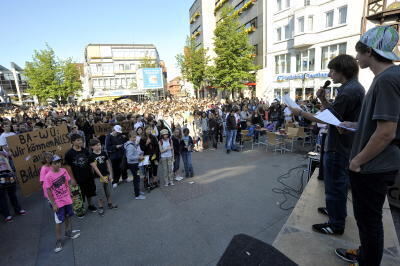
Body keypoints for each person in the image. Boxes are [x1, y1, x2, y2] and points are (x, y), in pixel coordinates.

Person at [335, 26, 400, 266]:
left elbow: (386, 132)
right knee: (367, 221)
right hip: (375, 165)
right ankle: (364, 254)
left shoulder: (387, 80)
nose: (356, 58)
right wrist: (355, 124)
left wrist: (356, 161)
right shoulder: (387, 78)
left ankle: (367, 260)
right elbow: (381, 124)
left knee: (369, 222)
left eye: (358, 53)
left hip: (372, 167)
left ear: (370, 52)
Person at [291, 54, 365, 236]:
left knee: (335, 184)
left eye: (332, 70)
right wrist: (323, 100)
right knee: (334, 184)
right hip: (341, 143)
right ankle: (334, 211)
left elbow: (325, 119)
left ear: (342, 71)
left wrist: (300, 111)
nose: (330, 74)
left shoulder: (349, 91)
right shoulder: (351, 88)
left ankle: (336, 224)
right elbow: (334, 115)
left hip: (339, 146)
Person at [43, 155, 80, 253]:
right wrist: (53, 204)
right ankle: (58, 240)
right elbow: (48, 191)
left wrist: (70, 193)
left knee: (68, 216)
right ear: (51, 164)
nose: (58, 164)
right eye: (55, 163)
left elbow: (67, 183)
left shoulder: (63, 170)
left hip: (66, 198)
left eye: (59, 162)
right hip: (57, 202)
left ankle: (68, 232)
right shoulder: (48, 176)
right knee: (58, 221)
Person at [64, 134, 97, 213]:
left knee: (89, 191)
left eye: (81, 140)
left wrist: (92, 172)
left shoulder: (85, 150)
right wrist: (72, 178)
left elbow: (90, 162)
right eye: (78, 140)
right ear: (72, 142)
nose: (80, 141)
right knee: (79, 194)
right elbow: (68, 167)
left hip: (88, 175)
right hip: (77, 177)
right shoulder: (69, 153)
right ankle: (80, 208)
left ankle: (90, 205)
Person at [89, 139, 118, 216]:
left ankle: (110, 204)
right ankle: (101, 207)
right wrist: (102, 177)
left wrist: (110, 174)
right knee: (100, 192)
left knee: (108, 190)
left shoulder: (104, 153)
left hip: (106, 175)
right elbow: (95, 168)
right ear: (92, 147)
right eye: (96, 145)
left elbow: (108, 164)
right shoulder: (91, 156)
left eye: (99, 144)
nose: (99, 146)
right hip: (98, 178)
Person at [0, 150, 26, 222]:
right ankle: (7, 215)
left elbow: (10, 156)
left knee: (12, 194)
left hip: (9, 175)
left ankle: (18, 210)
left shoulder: (3, 151)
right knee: (2, 197)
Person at [124, 131, 146, 200]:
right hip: (133, 165)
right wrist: (138, 157)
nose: (134, 139)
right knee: (136, 179)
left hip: (134, 164)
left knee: (137, 178)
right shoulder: (130, 146)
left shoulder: (132, 144)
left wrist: (138, 155)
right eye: (133, 137)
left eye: (135, 137)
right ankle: (137, 195)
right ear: (129, 137)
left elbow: (133, 154)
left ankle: (137, 191)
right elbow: (129, 157)